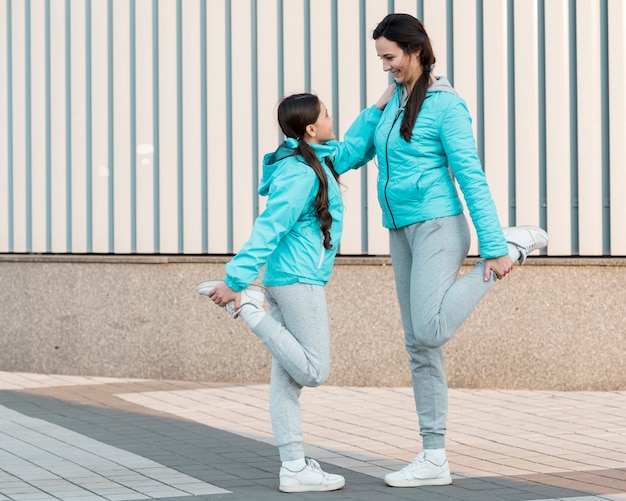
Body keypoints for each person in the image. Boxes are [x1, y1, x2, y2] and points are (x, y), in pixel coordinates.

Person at [336, 13, 548, 488]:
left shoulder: (446, 106)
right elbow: (348, 155)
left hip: (439, 226)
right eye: (380, 59)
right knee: (418, 345)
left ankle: (511, 249)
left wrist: (492, 246)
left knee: (429, 332)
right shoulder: (392, 104)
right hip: (402, 232)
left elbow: (470, 176)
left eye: (389, 57)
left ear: (415, 50)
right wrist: (375, 108)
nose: (385, 67)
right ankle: (434, 456)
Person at [196, 87, 394, 493]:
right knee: (315, 370)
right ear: (310, 128)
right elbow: (270, 227)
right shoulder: (301, 174)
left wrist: (378, 107)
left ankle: (293, 468)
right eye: (326, 114)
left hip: (289, 278)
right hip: (296, 280)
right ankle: (249, 310)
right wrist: (235, 283)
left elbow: (353, 149)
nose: (331, 119)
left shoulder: (313, 160)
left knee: (286, 382)